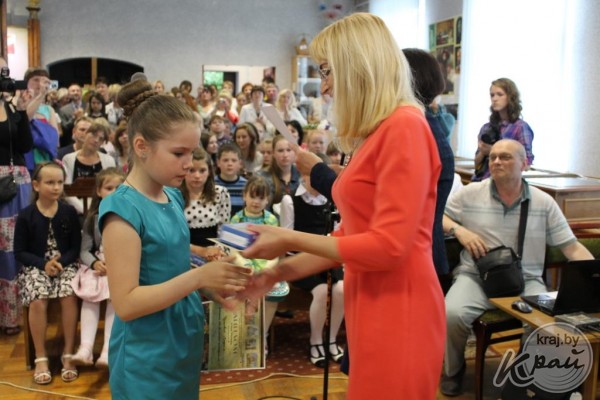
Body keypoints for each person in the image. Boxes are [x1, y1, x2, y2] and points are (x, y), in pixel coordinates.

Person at [239, 13, 445, 399]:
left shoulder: (405, 126)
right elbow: (348, 238)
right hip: (370, 298)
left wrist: (287, 238)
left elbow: (389, 246)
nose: (325, 85)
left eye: (327, 70)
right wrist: (279, 271)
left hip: (400, 303)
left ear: (358, 66)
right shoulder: (378, 131)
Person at [99, 79, 250, 399]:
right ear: (142, 146)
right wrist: (199, 278)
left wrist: (212, 286)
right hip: (146, 352)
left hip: (181, 336)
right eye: (179, 153)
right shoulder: (122, 210)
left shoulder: (172, 195)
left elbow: (172, 266)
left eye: (192, 152)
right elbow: (126, 304)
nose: (189, 163)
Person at [440, 139, 594, 396]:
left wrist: (594, 275)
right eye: (493, 157)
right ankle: (453, 370)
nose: (496, 161)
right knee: (451, 314)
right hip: (475, 277)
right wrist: (460, 231)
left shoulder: (544, 202)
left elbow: (572, 248)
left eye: (505, 157)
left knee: (544, 324)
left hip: (526, 281)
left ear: (525, 164)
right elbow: (439, 216)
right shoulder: (470, 193)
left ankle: (521, 380)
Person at [14, 161, 82, 385]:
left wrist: (60, 262)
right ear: (36, 185)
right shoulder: (26, 215)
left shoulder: (68, 212)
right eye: (50, 182)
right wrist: (43, 265)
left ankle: (68, 352)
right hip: (36, 265)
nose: (56, 187)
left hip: (64, 264)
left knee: (69, 293)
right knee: (37, 296)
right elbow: (20, 251)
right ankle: (41, 356)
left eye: (60, 182)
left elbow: (75, 247)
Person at [278, 162, 345, 367]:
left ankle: (331, 339)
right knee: (322, 291)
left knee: (342, 289)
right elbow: (287, 240)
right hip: (301, 259)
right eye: (310, 176)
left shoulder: (333, 200)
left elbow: (338, 233)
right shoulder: (291, 200)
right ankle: (316, 341)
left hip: (328, 257)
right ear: (303, 176)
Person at [402, 48, 455, 278]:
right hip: (424, 256)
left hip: (420, 262)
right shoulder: (425, 124)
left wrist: (319, 173)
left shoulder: (418, 129)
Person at [71, 168, 124, 368]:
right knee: (89, 293)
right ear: (99, 191)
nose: (114, 192)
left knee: (115, 295)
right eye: (109, 188)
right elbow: (85, 250)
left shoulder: (132, 216)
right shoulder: (93, 218)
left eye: (119, 187)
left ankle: (108, 351)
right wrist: (94, 263)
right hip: (100, 266)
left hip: (122, 266)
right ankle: (85, 348)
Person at [230, 175, 284, 347]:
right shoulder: (237, 220)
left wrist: (267, 268)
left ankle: (262, 334)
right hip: (243, 267)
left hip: (265, 267)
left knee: (272, 293)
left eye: (261, 198)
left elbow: (276, 250)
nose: (256, 201)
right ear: (244, 196)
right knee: (238, 291)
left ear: (267, 200)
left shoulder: (271, 220)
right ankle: (242, 334)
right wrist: (245, 265)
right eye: (252, 196)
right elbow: (233, 250)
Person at [0, 58, 33, 336]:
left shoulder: (10, 106)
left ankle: (12, 316)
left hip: (16, 182)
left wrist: (21, 111)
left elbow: (25, 145)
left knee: (14, 249)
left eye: (4, 71)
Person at [472, 78, 534, 181]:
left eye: (500, 94)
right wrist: (483, 152)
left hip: (503, 183)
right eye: (492, 95)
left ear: (510, 97)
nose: (494, 99)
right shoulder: (486, 127)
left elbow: (526, 165)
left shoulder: (520, 127)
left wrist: (492, 151)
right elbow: (476, 163)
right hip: (480, 180)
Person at [180, 147, 230, 260]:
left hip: (214, 254)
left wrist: (216, 252)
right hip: (184, 252)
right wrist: (201, 251)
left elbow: (224, 230)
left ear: (209, 172)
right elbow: (173, 237)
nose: (197, 176)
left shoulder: (220, 193)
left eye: (202, 171)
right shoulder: (174, 195)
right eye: (191, 170)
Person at [258, 134, 301, 209]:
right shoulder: (262, 177)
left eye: (289, 150)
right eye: (280, 151)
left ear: (294, 152)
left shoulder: (302, 176)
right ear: (273, 153)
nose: (285, 155)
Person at [215, 142, 247, 215]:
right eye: (225, 160)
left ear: (240, 164)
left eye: (234, 160)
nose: (230, 164)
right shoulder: (211, 184)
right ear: (218, 162)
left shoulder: (246, 185)